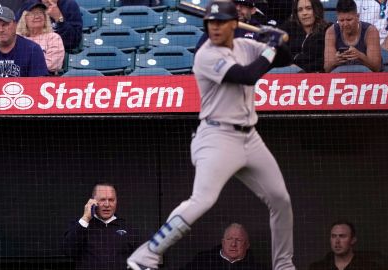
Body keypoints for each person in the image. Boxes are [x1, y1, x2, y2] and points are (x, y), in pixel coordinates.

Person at [126, 1, 294, 270]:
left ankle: (284, 265)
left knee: (281, 200)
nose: (214, 28)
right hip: (217, 137)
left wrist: (275, 40)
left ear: (233, 25)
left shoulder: (246, 46)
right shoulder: (206, 55)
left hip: (249, 137)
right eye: (210, 23)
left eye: (220, 23)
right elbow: (247, 75)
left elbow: (285, 58)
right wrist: (272, 46)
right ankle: (147, 253)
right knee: (203, 199)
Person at [63, 182, 142, 270]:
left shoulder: (129, 228)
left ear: (116, 201)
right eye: (102, 200)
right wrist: (85, 218)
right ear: (93, 201)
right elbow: (68, 251)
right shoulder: (80, 225)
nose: (107, 204)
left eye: (111, 200)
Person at [323, 0, 381, 72]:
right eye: (341, 20)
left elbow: (376, 68)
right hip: (341, 78)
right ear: (337, 18)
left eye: (349, 19)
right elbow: (327, 68)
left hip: (366, 78)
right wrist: (335, 61)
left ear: (357, 16)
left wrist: (360, 56)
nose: (345, 24)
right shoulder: (331, 32)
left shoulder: (370, 31)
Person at [182, 223, 265, 270]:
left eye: (239, 240)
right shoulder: (201, 261)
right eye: (229, 239)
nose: (233, 244)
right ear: (223, 242)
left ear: (247, 245)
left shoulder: (257, 268)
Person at [309, 220, 383, 270]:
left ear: (353, 240)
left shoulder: (369, 267)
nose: (337, 241)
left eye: (342, 236)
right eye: (334, 236)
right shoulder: (317, 267)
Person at [280, 0, 331, 72]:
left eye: (308, 8)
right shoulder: (289, 28)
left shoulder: (328, 29)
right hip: (289, 75)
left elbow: (326, 60)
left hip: (318, 76)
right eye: (300, 10)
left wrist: (301, 69)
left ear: (317, 9)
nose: (304, 13)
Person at [16, 1, 64, 74]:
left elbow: (53, 65)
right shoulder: (16, 39)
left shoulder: (53, 38)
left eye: (40, 13)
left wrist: (26, 65)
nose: (37, 16)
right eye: (32, 13)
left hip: (45, 78)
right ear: (24, 18)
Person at [195, 0, 261, 51]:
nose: (238, 8)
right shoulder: (219, 26)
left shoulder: (260, 31)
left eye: (244, 5)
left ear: (253, 10)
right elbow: (199, 52)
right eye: (235, 4)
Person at [17, 0, 82, 50]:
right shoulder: (30, 4)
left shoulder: (69, 5)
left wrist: (59, 18)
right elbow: (15, 32)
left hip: (57, 53)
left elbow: (73, 42)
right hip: (29, 50)